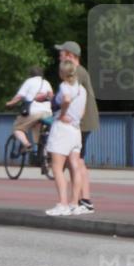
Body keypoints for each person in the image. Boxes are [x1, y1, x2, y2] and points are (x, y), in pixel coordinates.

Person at [53, 42, 99, 212]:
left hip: (81, 121)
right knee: (78, 161)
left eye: (62, 53)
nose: (60, 56)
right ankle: (81, 200)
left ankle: (84, 200)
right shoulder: (81, 71)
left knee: (77, 162)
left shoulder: (76, 72)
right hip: (83, 120)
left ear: (70, 55)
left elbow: (69, 96)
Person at [45, 60, 87, 216]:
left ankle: (62, 203)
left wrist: (62, 114)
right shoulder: (82, 89)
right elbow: (82, 113)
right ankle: (74, 203)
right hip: (76, 130)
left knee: (57, 167)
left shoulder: (64, 86)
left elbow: (67, 100)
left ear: (62, 73)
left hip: (62, 129)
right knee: (75, 166)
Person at [5, 65, 53, 153]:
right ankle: (44, 153)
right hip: (47, 113)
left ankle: (27, 145)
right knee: (40, 133)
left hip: (34, 112)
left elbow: (20, 96)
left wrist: (10, 103)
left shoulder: (29, 81)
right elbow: (51, 96)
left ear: (31, 74)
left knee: (17, 128)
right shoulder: (46, 82)